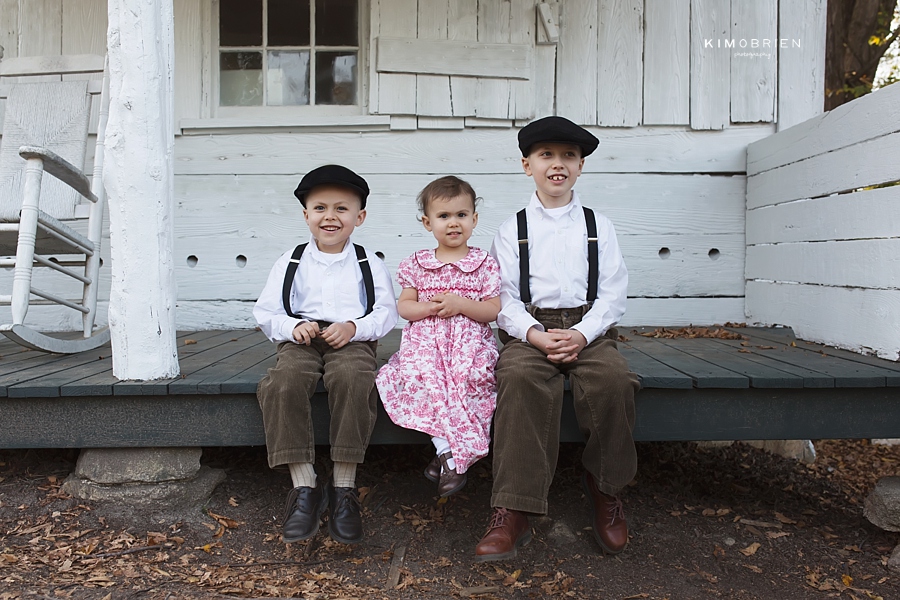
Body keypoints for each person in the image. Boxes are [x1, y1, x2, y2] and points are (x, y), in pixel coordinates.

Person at [475, 116, 641, 561]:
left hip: (590, 329)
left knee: (613, 380)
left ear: (581, 166)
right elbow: (502, 298)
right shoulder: (512, 230)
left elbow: (613, 292)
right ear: (526, 165)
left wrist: (584, 335)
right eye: (546, 155)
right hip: (529, 330)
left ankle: (606, 488)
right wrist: (533, 334)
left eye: (568, 156)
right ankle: (514, 506)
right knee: (518, 378)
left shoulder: (597, 225)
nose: (557, 164)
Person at [254, 164, 399, 546]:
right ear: (306, 215)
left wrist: (354, 327)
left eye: (341, 209)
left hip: (350, 339)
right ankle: (304, 487)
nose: (330, 217)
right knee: (284, 383)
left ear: (359, 217)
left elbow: (385, 313)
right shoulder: (291, 260)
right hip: (302, 338)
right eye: (320, 208)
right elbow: (266, 312)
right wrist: (290, 327)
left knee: (353, 379)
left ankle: (343, 486)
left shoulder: (369, 262)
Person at [376, 176, 501, 498]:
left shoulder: (484, 264)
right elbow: (404, 307)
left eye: (461, 215)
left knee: (471, 379)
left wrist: (461, 304)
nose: (453, 223)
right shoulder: (417, 264)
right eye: (444, 216)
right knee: (420, 378)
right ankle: (449, 453)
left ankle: (446, 454)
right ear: (427, 222)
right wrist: (428, 308)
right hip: (425, 342)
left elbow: (493, 310)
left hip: (469, 342)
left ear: (474, 219)